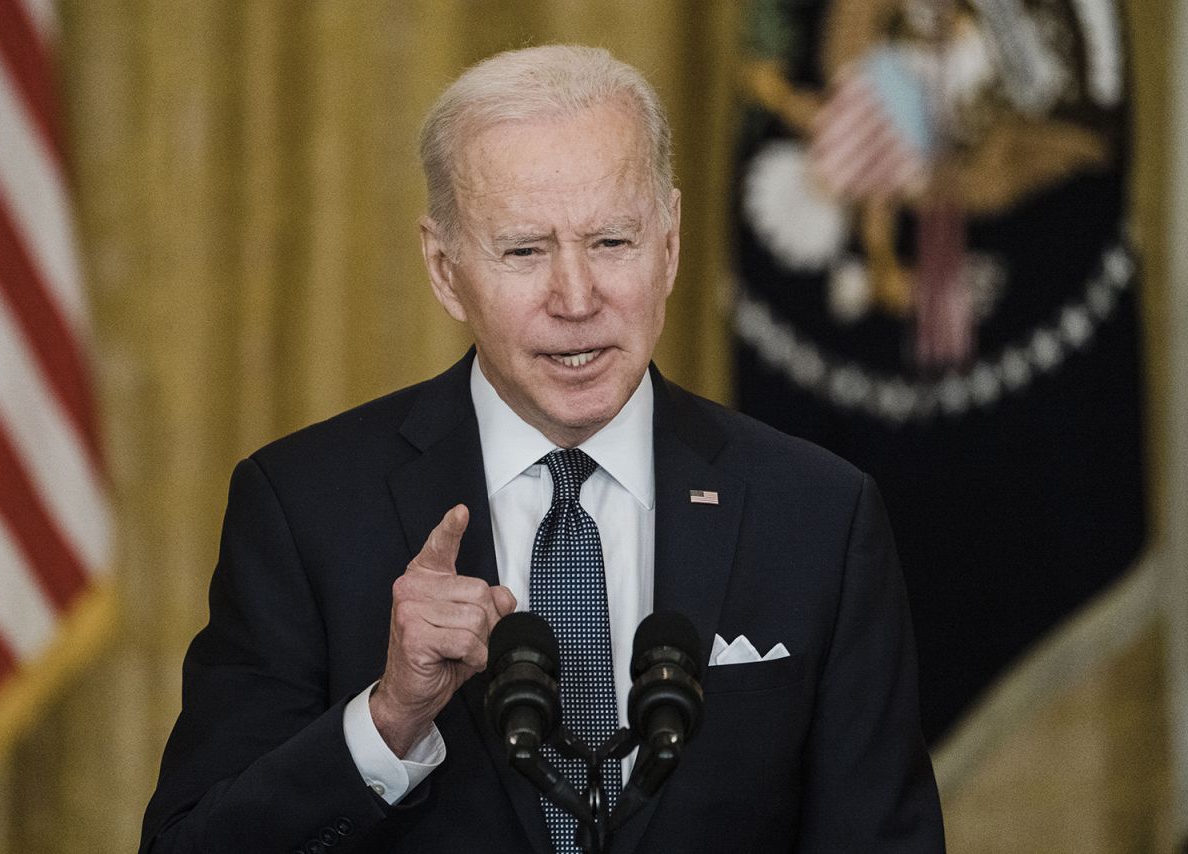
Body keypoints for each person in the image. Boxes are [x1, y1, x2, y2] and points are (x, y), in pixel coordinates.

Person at [140, 45, 944, 853]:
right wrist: (387, 722)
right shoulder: (304, 510)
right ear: (445, 269)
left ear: (669, 244)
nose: (576, 298)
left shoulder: (817, 516)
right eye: (524, 250)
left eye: (611, 243)